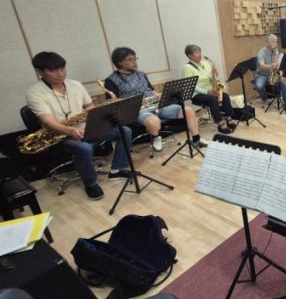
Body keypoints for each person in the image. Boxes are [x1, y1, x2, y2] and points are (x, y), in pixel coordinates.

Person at [26, 52, 132, 200]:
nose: (60, 74)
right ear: (39, 72)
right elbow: (48, 122)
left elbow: (89, 106)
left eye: (62, 68)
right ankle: (91, 183)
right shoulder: (34, 92)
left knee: (124, 131)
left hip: (84, 129)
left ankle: (118, 169)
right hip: (58, 136)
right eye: (53, 70)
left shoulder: (75, 85)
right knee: (84, 148)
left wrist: (96, 116)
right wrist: (69, 130)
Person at [104, 47, 207, 152]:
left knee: (188, 111)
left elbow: (151, 90)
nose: (134, 62)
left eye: (135, 59)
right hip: (138, 110)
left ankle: (196, 139)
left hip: (156, 104)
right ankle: (156, 137)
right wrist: (134, 101)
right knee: (153, 121)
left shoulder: (141, 74)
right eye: (130, 59)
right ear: (119, 62)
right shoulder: (111, 80)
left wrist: (159, 95)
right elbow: (113, 103)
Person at [181, 44, 237, 134]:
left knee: (225, 95)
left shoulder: (205, 63)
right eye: (196, 53)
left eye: (200, 52)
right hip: (197, 94)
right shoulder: (187, 68)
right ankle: (220, 123)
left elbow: (212, 79)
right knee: (211, 99)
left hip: (211, 90)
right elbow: (192, 86)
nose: (200, 55)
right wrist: (206, 92)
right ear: (190, 55)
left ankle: (229, 118)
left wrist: (214, 76)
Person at [254, 35, 286, 111]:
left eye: (276, 42)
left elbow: (278, 66)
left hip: (272, 73)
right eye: (273, 42)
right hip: (262, 74)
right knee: (259, 86)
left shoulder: (276, 52)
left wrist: (281, 75)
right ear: (267, 42)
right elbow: (261, 66)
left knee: (283, 82)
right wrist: (271, 66)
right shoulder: (261, 52)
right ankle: (265, 98)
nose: (275, 44)